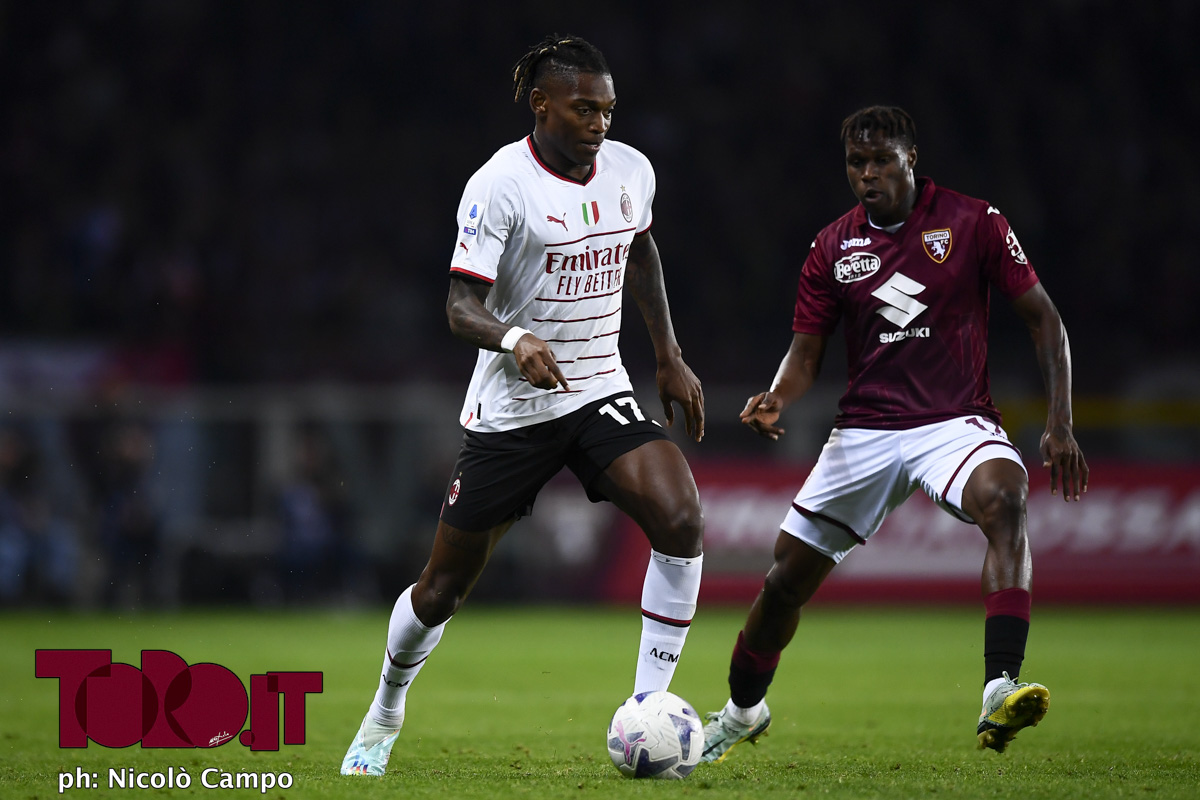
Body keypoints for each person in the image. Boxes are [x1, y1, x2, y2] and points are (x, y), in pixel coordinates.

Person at [340, 34, 706, 776]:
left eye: (608, 110)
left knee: (682, 519)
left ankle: (647, 707)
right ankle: (385, 708)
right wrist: (514, 339)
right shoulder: (500, 184)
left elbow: (639, 250)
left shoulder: (632, 169)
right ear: (541, 104)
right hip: (513, 411)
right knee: (441, 590)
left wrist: (667, 353)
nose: (600, 123)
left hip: (598, 387)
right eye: (584, 109)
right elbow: (458, 305)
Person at [699, 106, 1088, 764]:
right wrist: (776, 395)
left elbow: (1044, 319)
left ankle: (999, 685)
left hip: (954, 420)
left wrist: (1060, 422)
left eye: (882, 161)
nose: (868, 174)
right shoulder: (832, 246)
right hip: (867, 431)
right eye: (857, 163)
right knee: (785, 581)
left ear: (912, 158)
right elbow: (806, 353)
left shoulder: (974, 221)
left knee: (1005, 498)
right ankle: (741, 712)